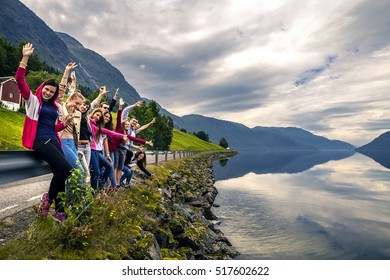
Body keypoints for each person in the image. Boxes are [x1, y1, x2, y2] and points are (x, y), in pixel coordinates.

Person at [16, 43, 76, 222]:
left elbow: (54, 127)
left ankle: (60, 212)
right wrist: (25, 58)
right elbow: (20, 81)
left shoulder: (56, 106)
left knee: (61, 172)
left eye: (52, 91)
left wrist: (63, 123)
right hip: (41, 141)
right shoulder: (33, 101)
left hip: (53, 140)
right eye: (47, 90)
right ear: (42, 88)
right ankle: (48, 200)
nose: (49, 93)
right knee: (66, 168)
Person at [59, 91, 85, 171]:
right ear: (70, 99)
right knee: (79, 170)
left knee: (73, 171)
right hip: (63, 140)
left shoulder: (78, 113)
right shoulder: (61, 108)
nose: (78, 106)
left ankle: (69, 184)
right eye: (77, 103)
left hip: (73, 142)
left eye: (80, 104)